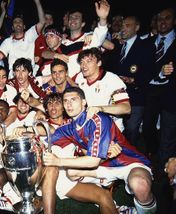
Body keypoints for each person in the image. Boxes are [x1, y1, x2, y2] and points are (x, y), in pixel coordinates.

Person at [43, 87, 157, 214]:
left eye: (73, 99)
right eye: (65, 101)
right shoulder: (69, 127)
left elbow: (93, 161)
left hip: (126, 162)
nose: (69, 104)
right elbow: (50, 136)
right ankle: (109, 189)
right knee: (72, 172)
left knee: (140, 185)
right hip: (104, 164)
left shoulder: (97, 119)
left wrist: (58, 161)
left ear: (83, 102)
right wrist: (28, 131)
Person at [103, 16, 155, 147]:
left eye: (127, 25)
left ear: (136, 28)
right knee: (114, 129)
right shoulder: (117, 46)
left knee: (131, 130)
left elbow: (150, 71)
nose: (123, 28)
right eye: (122, 25)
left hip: (135, 96)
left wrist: (134, 79)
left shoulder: (145, 46)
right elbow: (107, 66)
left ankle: (132, 157)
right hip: (116, 97)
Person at [142, 7, 176, 172]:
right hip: (151, 92)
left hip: (171, 93)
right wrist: (159, 72)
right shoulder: (148, 42)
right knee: (148, 126)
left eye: (167, 18)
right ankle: (153, 153)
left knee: (168, 131)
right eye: (160, 18)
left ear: (174, 21)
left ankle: (164, 168)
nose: (163, 22)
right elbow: (143, 68)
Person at [41, 0, 110, 78]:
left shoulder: (88, 40)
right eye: (71, 17)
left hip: (77, 85)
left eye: (76, 17)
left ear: (83, 23)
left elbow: (100, 35)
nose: (73, 19)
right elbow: (45, 53)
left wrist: (103, 19)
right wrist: (55, 55)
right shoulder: (62, 41)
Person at [74, 47, 131, 131]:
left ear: (99, 63)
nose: (84, 65)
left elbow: (126, 108)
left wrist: (100, 109)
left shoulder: (112, 80)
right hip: (87, 128)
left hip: (110, 130)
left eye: (88, 61)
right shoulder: (79, 78)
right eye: (82, 62)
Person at [0, 0, 45, 78]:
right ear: (12, 27)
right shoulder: (8, 41)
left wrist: (37, 2)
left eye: (20, 22)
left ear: (24, 26)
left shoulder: (30, 34)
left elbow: (42, 22)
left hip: (29, 76)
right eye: (15, 22)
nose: (18, 23)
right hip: (14, 77)